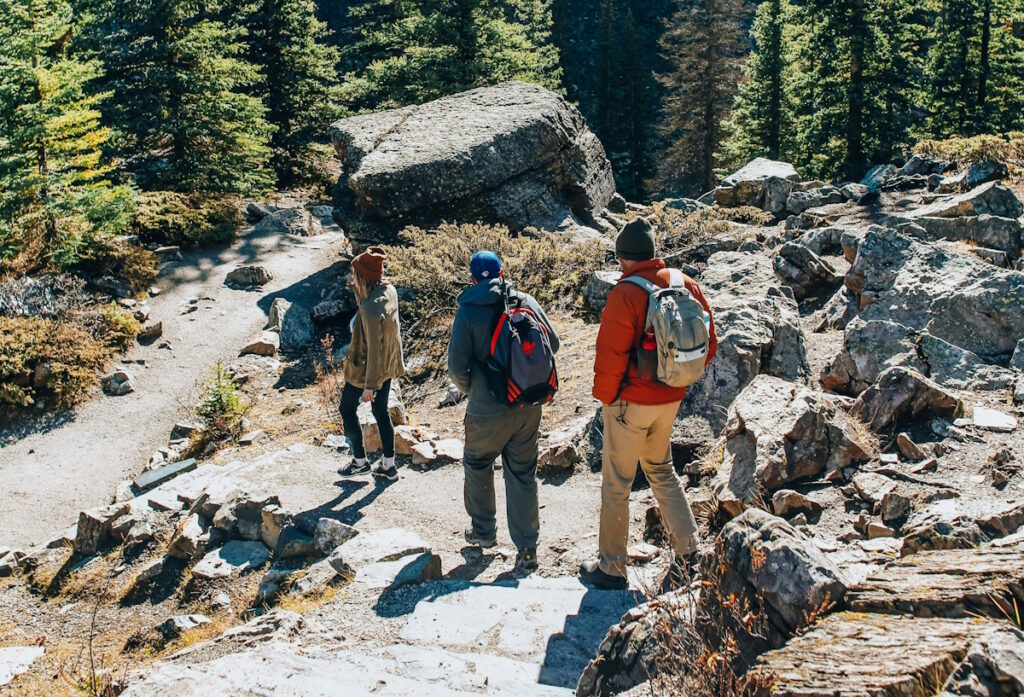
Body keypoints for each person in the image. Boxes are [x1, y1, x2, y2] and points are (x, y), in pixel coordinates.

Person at [580, 218, 717, 590]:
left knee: (617, 482)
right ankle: (690, 551)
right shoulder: (684, 283)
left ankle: (612, 567)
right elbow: (710, 341)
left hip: (630, 403)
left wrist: (607, 399)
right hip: (670, 397)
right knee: (661, 468)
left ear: (622, 258)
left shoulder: (626, 293)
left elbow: (610, 354)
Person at [447, 251, 560, 571]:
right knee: (522, 473)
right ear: (501, 271)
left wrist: (475, 390)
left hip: (485, 409)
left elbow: (456, 368)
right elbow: (554, 343)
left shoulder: (467, 310)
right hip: (527, 404)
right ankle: (527, 549)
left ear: (472, 278)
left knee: (478, 462)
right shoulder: (524, 300)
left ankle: (483, 532)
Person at [338, 246, 407, 481]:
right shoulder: (389, 291)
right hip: (388, 366)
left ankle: (360, 462)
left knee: (346, 409)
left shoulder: (369, 310)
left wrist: (369, 386)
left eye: (355, 275)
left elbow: (374, 350)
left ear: (363, 277)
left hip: (366, 369)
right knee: (380, 410)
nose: (351, 279)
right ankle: (388, 465)